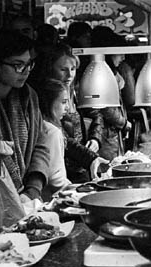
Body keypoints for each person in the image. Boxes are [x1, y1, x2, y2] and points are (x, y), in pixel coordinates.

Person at [0, 29, 50, 203]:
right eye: (18, 65)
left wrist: (33, 189)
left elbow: (40, 145)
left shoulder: (28, 96)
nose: (26, 71)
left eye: (29, 64)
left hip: (27, 195)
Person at [37, 43, 109, 182]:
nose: (69, 74)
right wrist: (88, 157)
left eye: (73, 69)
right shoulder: (46, 97)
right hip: (61, 167)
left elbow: (96, 114)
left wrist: (95, 138)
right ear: (51, 68)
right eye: (63, 69)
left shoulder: (76, 91)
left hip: (81, 165)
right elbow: (62, 138)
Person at [89, 26, 132, 160]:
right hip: (105, 137)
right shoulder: (99, 74)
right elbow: (104, 107)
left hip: (111, 134)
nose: (123, 57)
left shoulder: (112, 72)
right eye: (119, 52)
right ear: (108, 51)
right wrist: (123, 122)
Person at [36, 78, 72, 197]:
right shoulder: (52, 132)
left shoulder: (38, 125)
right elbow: (55, 178)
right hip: (49, 196)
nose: (67, 107)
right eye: (63, 102)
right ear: (49, 103)